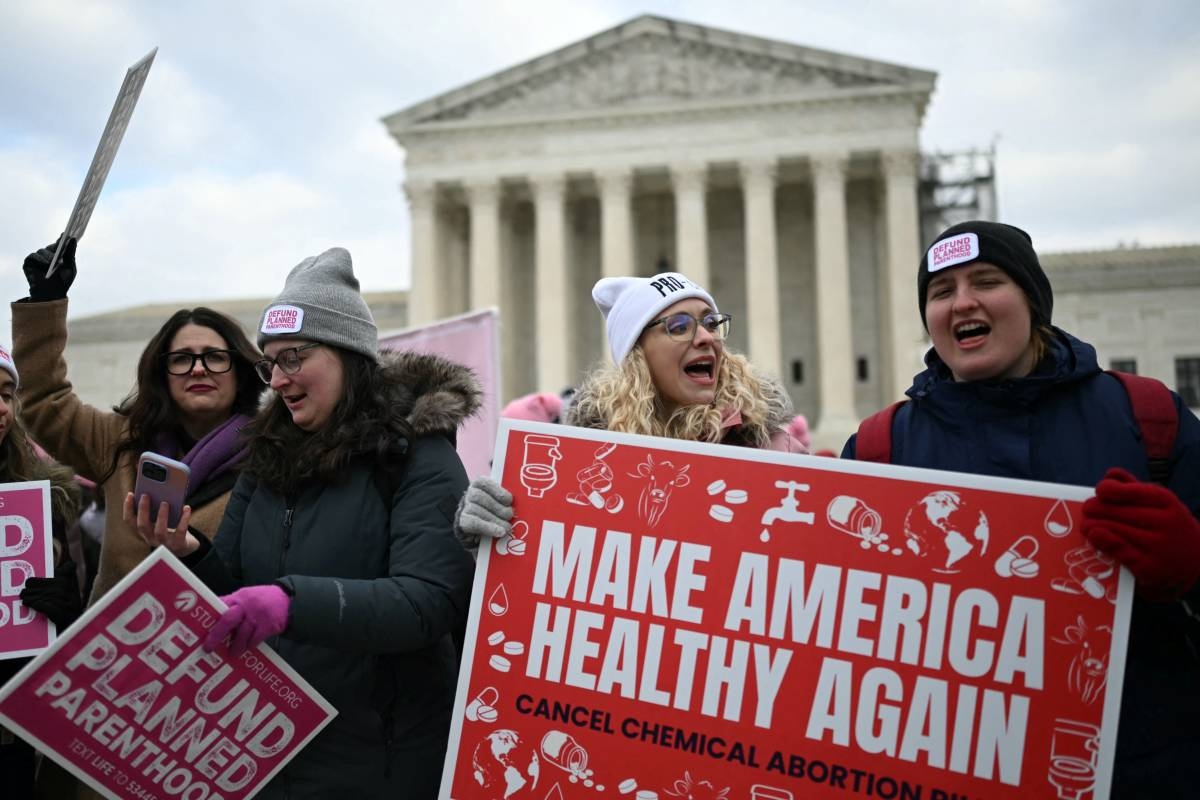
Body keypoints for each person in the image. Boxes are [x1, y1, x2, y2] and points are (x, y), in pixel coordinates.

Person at [841, 220, 1200, 796]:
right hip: (950, 770)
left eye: (986, 281)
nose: (963, 302)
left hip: (1140, 769)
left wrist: (1194, 569)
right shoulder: (882, 449)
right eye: (941, 292)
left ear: (1033, 300)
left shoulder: (1149, 420)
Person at [134, 247, 480, 798]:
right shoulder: (267, 457)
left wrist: (292, 602)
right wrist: (192, 553)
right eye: (271, 361)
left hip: (382, 763)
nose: (280, 378)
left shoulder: (417, 454)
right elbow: (240, 594)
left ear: (347, 355)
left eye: (294, 357)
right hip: (271, 756)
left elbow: (427, 603)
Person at [458, 271, 805, 542]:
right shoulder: (583, 470)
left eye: (711, 322)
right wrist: (488, 528)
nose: (706, 337)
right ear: (638, 357)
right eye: (679, 326)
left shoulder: (774, 451)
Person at [13, 238, 264, 603]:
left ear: (240, 370)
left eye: (214, 357)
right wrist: (44, 303)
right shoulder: (120, 440)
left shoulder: (272, 452)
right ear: (161, 374)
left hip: (215, 649)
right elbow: (43, 401)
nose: (198, 369)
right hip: (113, 647)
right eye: (181, 359)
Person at [0, 346, 82, 799]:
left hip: (11, 741)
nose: (2, 408)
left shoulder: (39, 503)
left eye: (8, 394)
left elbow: (71, 635)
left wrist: (66, 612)